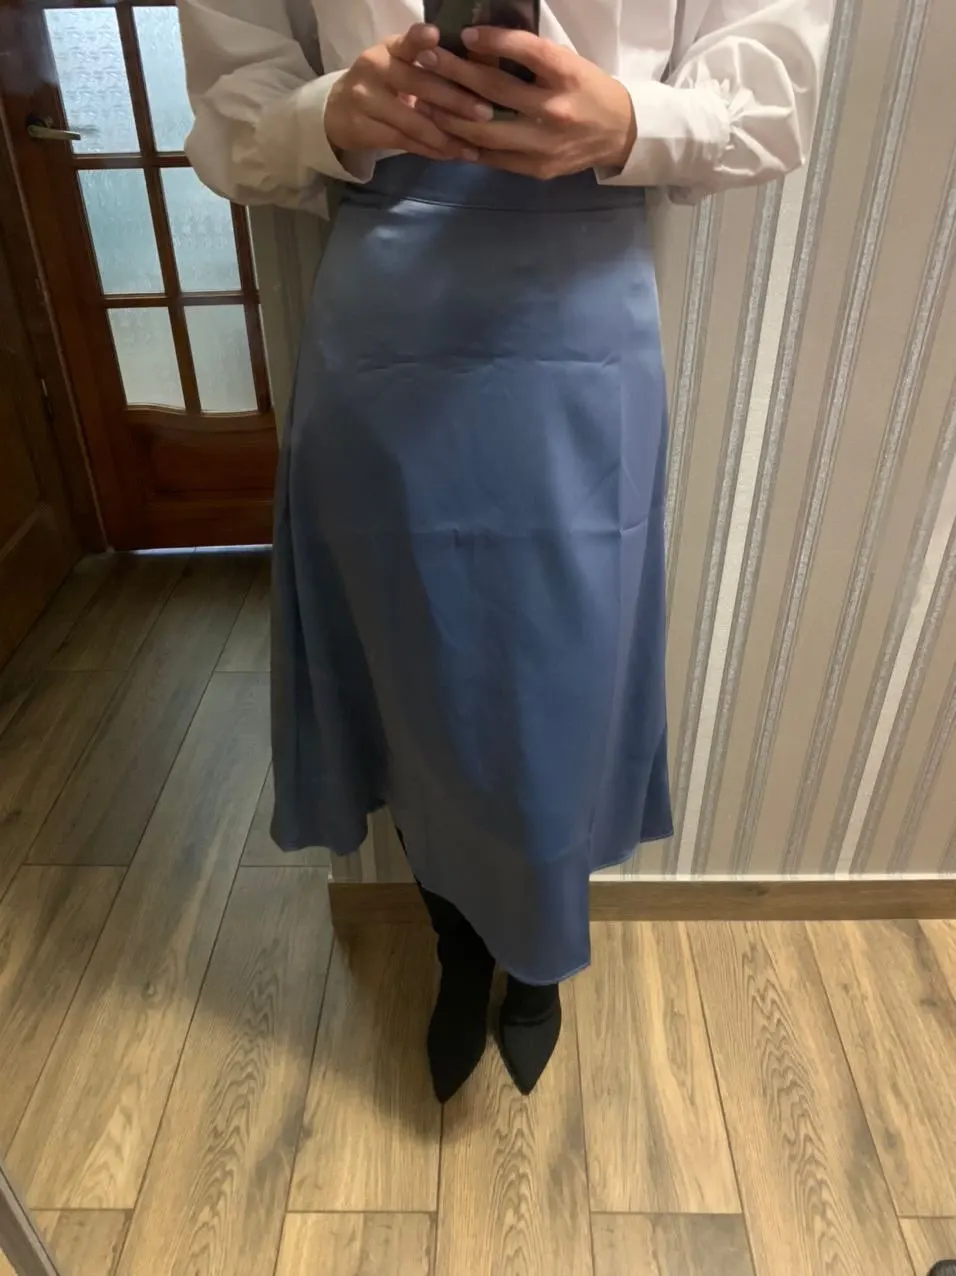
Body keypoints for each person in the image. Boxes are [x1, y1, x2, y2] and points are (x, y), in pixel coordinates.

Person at [179, 0, 832, 1102]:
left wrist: (633, 121)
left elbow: (774, 90)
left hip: (581, 310)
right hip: (385, 313)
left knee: (560, 688)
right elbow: (230, 108)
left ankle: (536, 962)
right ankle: (459, 949)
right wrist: (329, 112)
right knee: (412, 681)